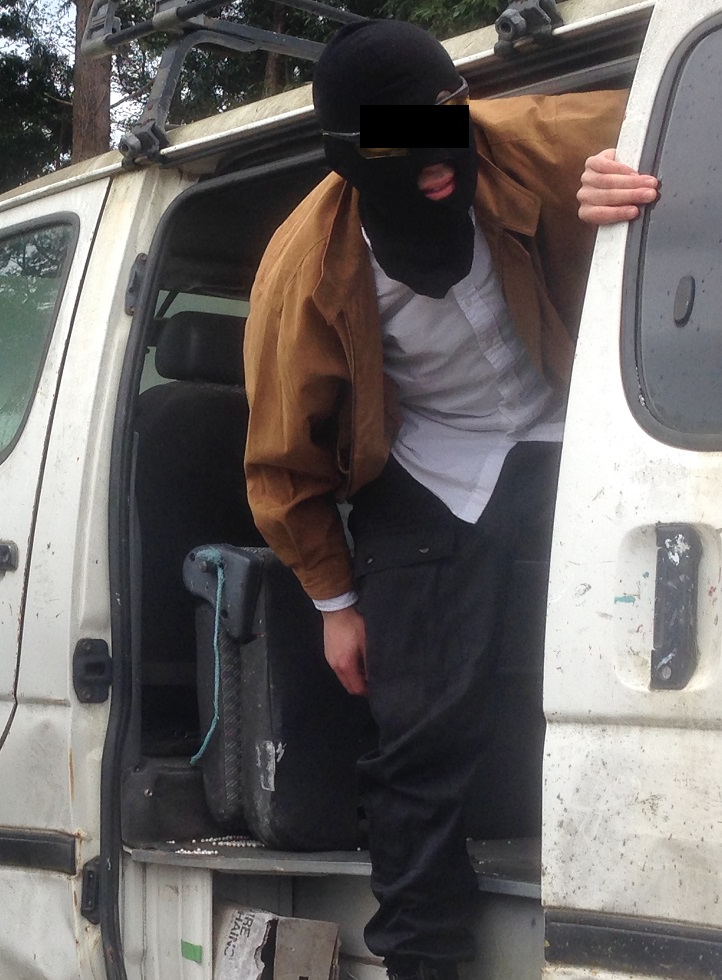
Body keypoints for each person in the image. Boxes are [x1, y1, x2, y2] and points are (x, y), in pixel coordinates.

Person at [242, 20, 657, 980]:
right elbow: (282, 461)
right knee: (418, 740)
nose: (437, 163)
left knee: (634, 665)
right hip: (427, 468)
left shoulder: (540, 143)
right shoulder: (303, 272)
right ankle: (423, 960)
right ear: (350, 160)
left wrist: (638, 179)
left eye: (444, 123)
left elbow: (691, 117)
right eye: (401, 147)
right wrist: (335, 602)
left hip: (568, 428)